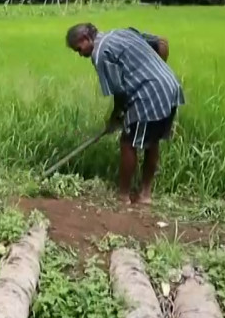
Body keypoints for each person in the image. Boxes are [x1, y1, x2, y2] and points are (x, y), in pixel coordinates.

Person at [66, 22, 184, 205]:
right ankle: (145, 194)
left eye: (78, 49)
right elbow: (162, 43)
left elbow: (119, 92)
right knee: (152, 142)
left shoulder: (100, 53)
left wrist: (115, 117)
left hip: (149, 94)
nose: (80, 54)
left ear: (85, 39)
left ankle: (123, 196)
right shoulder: (122, 33)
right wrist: (156, 71)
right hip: (170, 86)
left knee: (128, 143)